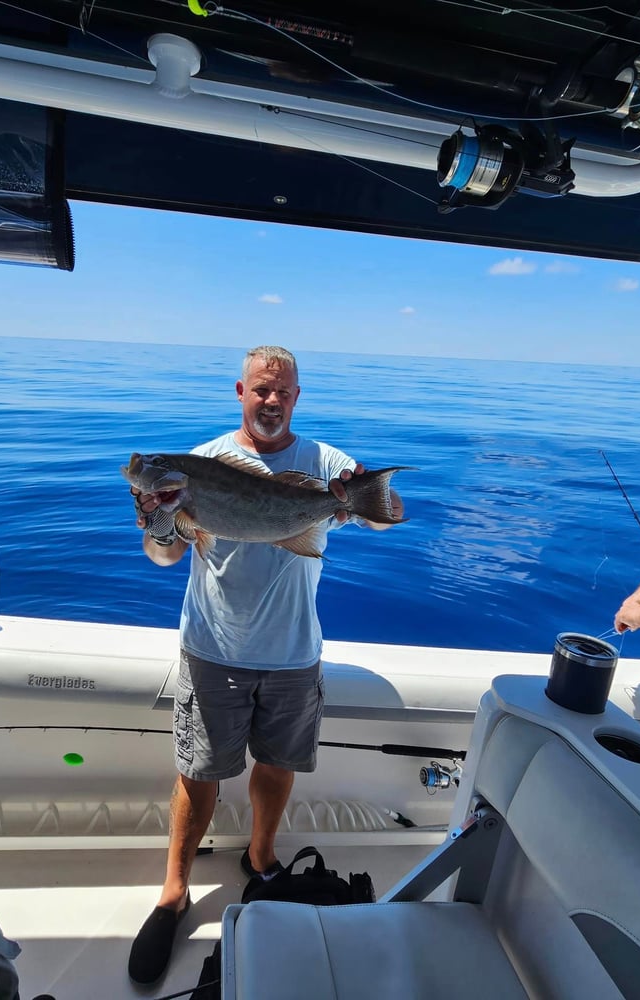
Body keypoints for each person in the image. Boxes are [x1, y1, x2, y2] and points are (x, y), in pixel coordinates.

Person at [126, 345, 404, 985]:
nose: (270, 400)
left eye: (281, 392)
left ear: (296, 398)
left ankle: (261, 857)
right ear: (241, 393)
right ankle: (173, 891)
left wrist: (359, 500)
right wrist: (161, 518)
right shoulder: (197, 463)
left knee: (277, 766)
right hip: (212, 649)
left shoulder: (325, 462)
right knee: (198, 774)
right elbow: (163, 557)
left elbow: (390, 517)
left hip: (293, 653)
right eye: (259, 390)